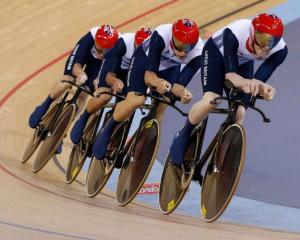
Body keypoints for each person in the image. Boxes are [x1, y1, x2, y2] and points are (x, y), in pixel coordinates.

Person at [169, 13, 288, 184]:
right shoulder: (236, 32)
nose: (264, 46)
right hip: (216, 53)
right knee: (211, 100)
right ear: (253, 32)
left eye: (270, 42)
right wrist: (246, 84)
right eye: (261, 39)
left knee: (240, 112)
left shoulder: (280, 51)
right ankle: (184, 132)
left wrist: (264, 89)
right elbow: (231, 75)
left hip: (243, 61)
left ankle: (221, 160)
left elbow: (258, 81)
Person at [92, 18, 204, 161]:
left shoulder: (198, 53)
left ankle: (144, 143)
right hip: (144, 60)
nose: (182, 52)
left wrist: (183, 93)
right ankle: (107, 130)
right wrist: (159, 82)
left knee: (164, 103)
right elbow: (148, 76)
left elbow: (179, 85)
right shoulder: (161, 35)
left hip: (169, 67)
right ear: (172, 36)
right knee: (136, 100)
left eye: (187, 48)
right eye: (179, 45)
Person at [70, 27, 153, 144]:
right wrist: (109, 81)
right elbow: (108, 65)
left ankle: (111, 134)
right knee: (104, 97)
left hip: (130, 74)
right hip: (113, 68)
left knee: (128, 107)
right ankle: (84, 118)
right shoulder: (124, 42)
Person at [28, 24, 119, 130]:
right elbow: (76, 65)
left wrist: (98, 82)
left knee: (84, 92)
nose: (102, 52)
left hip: (100, 66)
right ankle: (45, 105)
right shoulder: (90, 38)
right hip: (86, 56)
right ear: (95, 40)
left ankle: (62, 131)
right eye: (100, 47)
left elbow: (107, 74)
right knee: (67, 79)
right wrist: (80, 73)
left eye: (106, 49)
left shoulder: (118, 49)